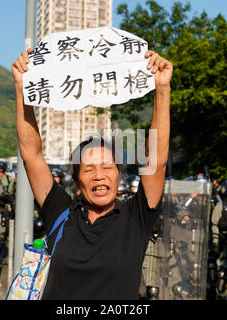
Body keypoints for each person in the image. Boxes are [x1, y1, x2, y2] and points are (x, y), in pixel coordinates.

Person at [12, 48, 172, 299]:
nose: (99, 175)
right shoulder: (61, 214)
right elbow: (31, 155)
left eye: (107, 167)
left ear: (119, 176)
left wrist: (162, 89)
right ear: (76, 183)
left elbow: (157, 161)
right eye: (89, 169)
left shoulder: (135, 218)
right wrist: (23, 87)